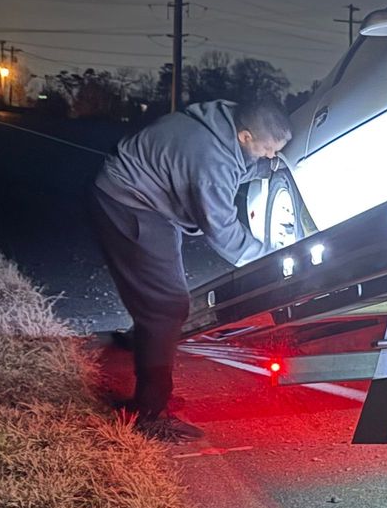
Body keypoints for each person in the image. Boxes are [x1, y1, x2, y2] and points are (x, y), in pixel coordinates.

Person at [91, 96, 292, 440]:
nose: (270, 155)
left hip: (149, 198)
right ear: (245, 136)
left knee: (161, 300)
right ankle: (150, 415)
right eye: (267, 149)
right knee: (166, 306)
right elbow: (223, 230)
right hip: (129, 203)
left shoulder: (222, 124)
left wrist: (268, 168)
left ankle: (146, 371)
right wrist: (268, 262)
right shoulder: (211, 159)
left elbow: (238, 164)